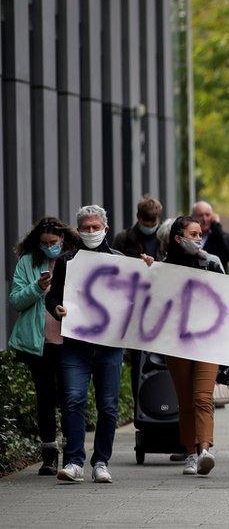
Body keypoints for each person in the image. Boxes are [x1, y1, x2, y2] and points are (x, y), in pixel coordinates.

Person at [46, 205, 128, 484]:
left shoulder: (120, 261)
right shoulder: (69, 261)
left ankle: (101, 461)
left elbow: (135, 299)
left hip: (108, 347)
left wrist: (147, 268)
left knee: (107, 406)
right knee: (73, 400)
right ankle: (74, 461)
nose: (91, 232)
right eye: (86, 228)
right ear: (78, 230)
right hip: (76, 346)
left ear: (106, 228)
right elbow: (52, 297)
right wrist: (57, 307)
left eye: (96, 227)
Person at [7, 218, 79, 476]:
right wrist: (37, 287)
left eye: (54, 243)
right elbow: (16, 300)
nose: (50, 247)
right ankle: (49, 456)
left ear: (63, 240)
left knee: (70, 398)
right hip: (40, 343)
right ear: (37, 243)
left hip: (69, 341)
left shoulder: (75, 260)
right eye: (45, 243)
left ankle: (73, 453)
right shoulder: (28, 263)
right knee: (45, 399)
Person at [154, 216, 224, 477]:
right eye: (192, 234)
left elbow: (227, 296)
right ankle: (190, 453)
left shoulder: (212, 263)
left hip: (208, 341)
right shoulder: (163, 268)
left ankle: (205, 450)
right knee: (185, 401)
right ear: (178, 238)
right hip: (178, 342)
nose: (198, 239)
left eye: (199, 234)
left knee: (203, 397)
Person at [191, 201, 229, 273]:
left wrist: (216, 226)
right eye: (200, 215)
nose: (204, 219)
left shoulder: (218, 236)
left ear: (213, 216)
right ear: (193, 217)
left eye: (208, 215)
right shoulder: (188, 237)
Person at [112, 194, 164, 259]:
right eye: (146, 225)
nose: (149, 228)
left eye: (153, 225)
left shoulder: (165, 240)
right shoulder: (122, 239)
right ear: (138, 217)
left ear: (159, 218)